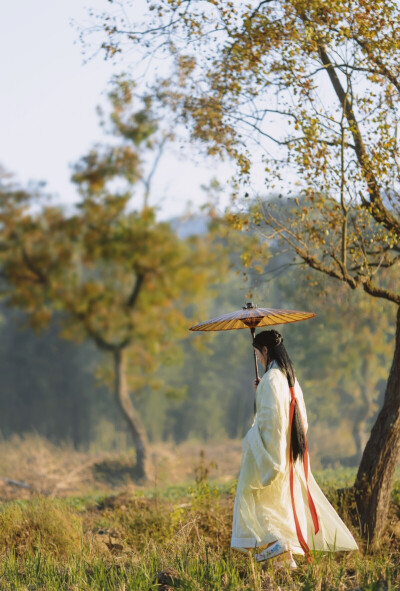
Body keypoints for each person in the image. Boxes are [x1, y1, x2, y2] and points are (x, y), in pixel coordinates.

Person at [231, 329, 358, 569]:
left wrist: (253, 441)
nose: (258, 358)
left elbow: (270, 423)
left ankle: (278, 544)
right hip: (289, 454)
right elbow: (301, 421)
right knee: (280, 506)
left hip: (272, 456)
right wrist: (261, 392)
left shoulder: (270, 380)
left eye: (258, 353)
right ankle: (284, 562)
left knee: (256, 500)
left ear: (265, 350)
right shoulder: (290, 378)